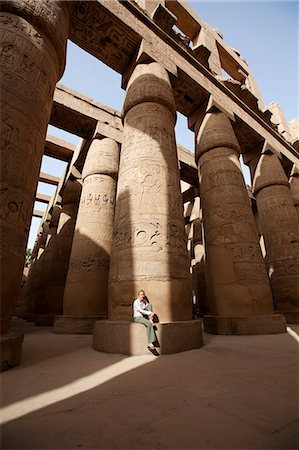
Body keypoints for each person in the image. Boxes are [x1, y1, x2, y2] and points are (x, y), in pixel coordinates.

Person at [132, 290, 159, 355]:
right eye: (141, 294)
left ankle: (150, 320)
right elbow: (141, 310)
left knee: (149, 305)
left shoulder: (144, 301)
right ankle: (150, 344)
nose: (142, 296)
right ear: (138, 295)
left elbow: (147, 306)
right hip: (137, 317)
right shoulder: (136, 302)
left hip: (143, 317)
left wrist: (150, 315)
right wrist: (150, 313)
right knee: (149, 324)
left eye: (143, 294)